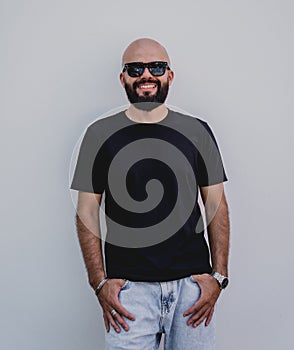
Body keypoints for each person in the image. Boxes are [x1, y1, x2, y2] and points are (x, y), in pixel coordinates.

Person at [70, 38, 230, 350]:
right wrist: (99, 283)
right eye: (136, 68)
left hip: (192, 290)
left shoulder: (197, 131)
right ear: (123, 78)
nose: (147, 74)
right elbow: (86, 212)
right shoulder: (99, 135)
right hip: (129, 293)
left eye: (156, 67)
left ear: (169, 75)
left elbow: (216, 205)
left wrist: (219, 277)